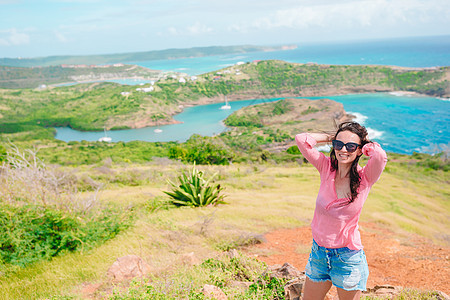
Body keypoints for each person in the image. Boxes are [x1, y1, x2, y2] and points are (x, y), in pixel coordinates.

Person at [295, 121, 387, 300]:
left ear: (359, 150)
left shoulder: (365, 178)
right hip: (319, 254)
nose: (343, 149)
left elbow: (380, 156)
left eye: (351, 146)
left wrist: (366, 145)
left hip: (348, 258)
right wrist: (332, 137)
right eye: (339, 144)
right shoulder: (326, 167)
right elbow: (302, 140)